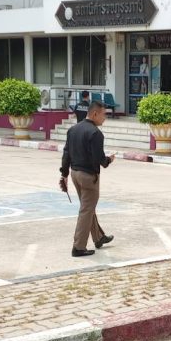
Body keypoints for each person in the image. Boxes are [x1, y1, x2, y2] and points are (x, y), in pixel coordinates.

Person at [60, 100, 115, 257]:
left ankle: (98, 237)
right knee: (86, 210)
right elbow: (100, 159)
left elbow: (66, 153)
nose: (105, 118)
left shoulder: (73, 129)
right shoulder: (95, 133)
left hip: (75, 174)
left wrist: (64, 174)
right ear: (95, 114)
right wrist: (109, 160)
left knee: (88, 207)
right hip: (89, 177)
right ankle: (78, 247)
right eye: (104, 115)